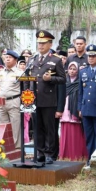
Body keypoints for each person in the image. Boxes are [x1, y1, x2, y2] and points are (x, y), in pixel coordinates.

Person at [27, 30, 66, 164]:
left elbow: (62, 79)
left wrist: (51, 78)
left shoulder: (56, 60)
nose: (40, 46)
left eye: (43, 43)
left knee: (49, 128)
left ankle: (50, 153)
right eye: (39, 43)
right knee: (37, 128)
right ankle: (40, 152)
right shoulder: (32, 59)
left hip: (49, 100)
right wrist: (27, 97)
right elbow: (27, 79)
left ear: (50, 44)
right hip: (34, 99)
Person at [59, 62, 88, 160]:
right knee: (65, 131)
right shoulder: (64, 81)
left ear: (78, 70)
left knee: (76, 133)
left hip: (75, 110)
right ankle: (65, 155)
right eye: (70, 68)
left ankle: (77, 155)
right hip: (64, 108)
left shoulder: (80, 82)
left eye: (74, 69)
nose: (72, 71)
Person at [0, 50, 23, 149]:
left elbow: (25, 89)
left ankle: (17, 149)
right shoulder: (0, 72)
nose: (7, 59)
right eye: (6, 57)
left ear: (15, 60)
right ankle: (4, 148)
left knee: (15, 127)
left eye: (10, 57)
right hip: (1, 102)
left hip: (14, 101)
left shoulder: (20, 73)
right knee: (2, 127)